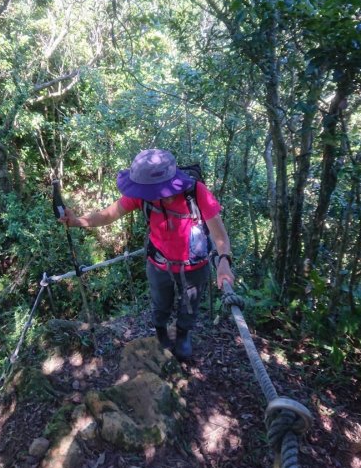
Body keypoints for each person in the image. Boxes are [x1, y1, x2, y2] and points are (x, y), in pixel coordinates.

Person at [59, 149, 235, 360]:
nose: (146, 194)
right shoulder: (143, 195)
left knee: (189, 306)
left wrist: (224, 261)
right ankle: (161, 332)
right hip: (159, 263)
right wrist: (77, 221)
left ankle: (183, 334)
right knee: (161, 303)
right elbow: (107, 215)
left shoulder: (197, 193)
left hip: (194, 267)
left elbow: (220, 236)